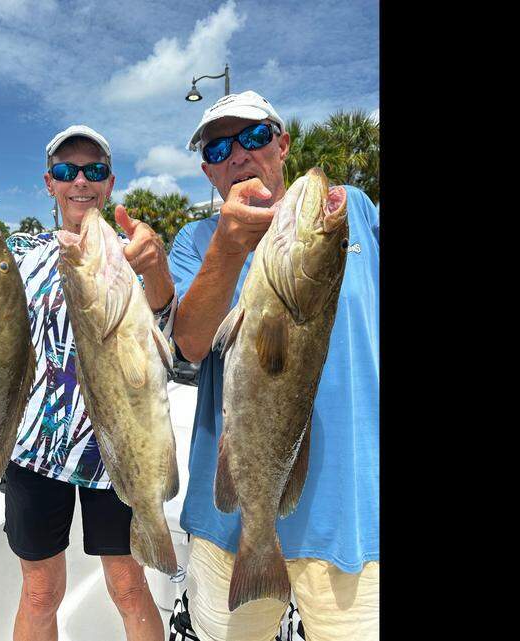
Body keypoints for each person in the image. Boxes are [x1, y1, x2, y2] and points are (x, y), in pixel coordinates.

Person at [0, 125, 176, 641]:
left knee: (129, 587)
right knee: (40, 593)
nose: (80, 181)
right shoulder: (17, 252)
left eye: (94, 170)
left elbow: (166, 322)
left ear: (110, 182)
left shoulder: (130, 252)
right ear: (49, 183)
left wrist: (156, 273)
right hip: (31, 450)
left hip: (116, 452)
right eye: (66, 171)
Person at [166, 91, 380, 641]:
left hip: (352, 516)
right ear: (208, 171)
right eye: (218, 149)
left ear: (282, 145)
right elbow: (189, 345)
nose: (238, 154)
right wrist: (227, 249)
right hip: (230, 523)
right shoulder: (195, 240)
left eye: (255, 137)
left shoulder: (352, 211)